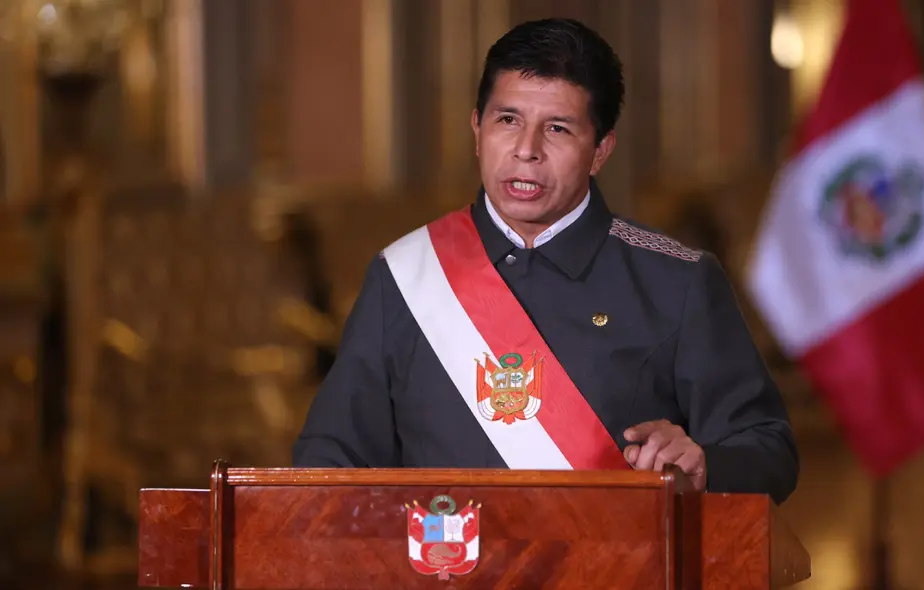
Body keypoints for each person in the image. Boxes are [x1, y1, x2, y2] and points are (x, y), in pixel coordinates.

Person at [293, 18, 799, 504]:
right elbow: (329, 458)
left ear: (600, 151)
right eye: (507, 120)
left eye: (557, 129)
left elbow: (770, 452)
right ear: (476, 129)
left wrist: (704, 464)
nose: (526, 150)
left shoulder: (678, 280)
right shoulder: (403, 275)